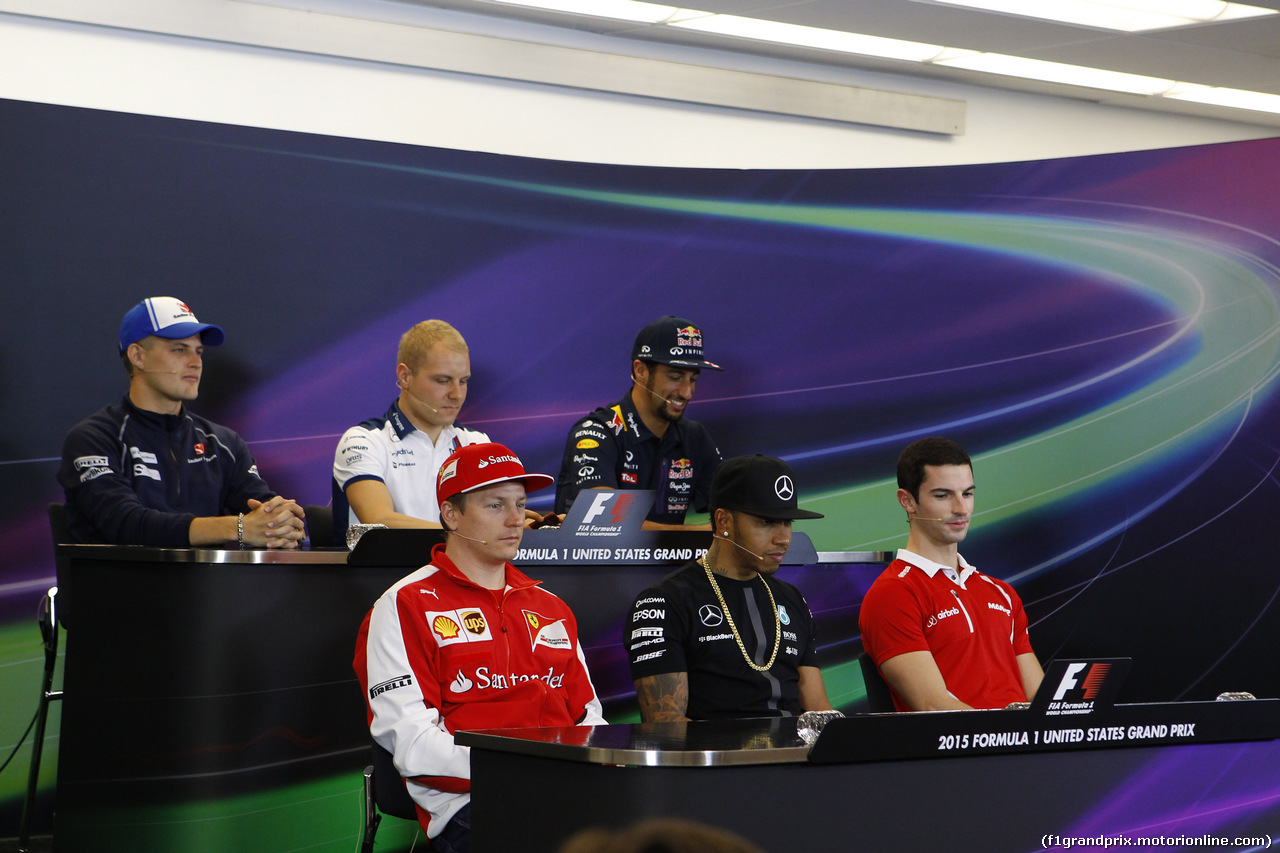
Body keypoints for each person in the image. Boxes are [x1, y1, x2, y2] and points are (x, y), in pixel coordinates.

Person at [354, 441, 605, 850]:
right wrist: (527, 772)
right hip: (472, 804)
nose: (515, 520)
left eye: (521, 504)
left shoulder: (553, 607)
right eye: (495, 506)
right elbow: (413, 743)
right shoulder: (403, 605)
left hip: (567, 793)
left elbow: (588, 717)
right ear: (451, 515)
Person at [57, 296, 305, 548]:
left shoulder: (224, 443)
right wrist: (239, 527)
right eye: (179, 350)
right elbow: (125, 523)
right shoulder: (93, 439)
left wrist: (282, 524)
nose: (195, 362)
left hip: (210, 585)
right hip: (121, 585)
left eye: (198, 352)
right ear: (137, 356)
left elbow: (265, 510)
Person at [625, 454, 832, 721]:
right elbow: (666, 725)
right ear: (723, 521)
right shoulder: (664, 601)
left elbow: (817, 710)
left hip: (793, 755)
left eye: (788, 522)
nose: (783, 538)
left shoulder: (790, 598)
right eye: (766, 522)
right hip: (718, 759)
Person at [859, 437, 1044, 712]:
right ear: (907, 501)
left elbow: (1042, 699)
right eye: (943, 495)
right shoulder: (894, 593)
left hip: (1021, 746)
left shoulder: (1002, 593)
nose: (961, 509)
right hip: (962, 750)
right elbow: (934, 706)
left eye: (967, 493)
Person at [554, 315, 724, 531]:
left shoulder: (694, 436)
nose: (687, 392)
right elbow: (603, 522)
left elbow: (732, 513)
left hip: (669, 565)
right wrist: (693, 533)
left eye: (693, 379)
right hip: (592, 563)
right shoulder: (596, 432)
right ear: (640, 371)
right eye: (675, 377)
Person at [333, 320, 489, 538]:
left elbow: (495, 516)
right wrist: (472, 534)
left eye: (463, 381)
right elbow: (379, 521)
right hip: (385, 572)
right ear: (405, 376)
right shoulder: (363, 441)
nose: (457, 394)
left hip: (461, 571)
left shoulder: (478, 444)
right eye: (443, 381)